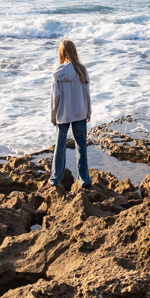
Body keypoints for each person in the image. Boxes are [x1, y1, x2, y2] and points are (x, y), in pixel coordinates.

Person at [49, 39, 92, 189]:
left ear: (61, 53)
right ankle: (84, 180)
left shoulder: (58, 73)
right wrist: (88, 112)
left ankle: (55, 179)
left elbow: (55, 98)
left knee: (59, 147)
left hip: (63, 113)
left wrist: (53, 116)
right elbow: (87, 94)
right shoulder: (82, 70)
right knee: (81, 146)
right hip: (80, 112)